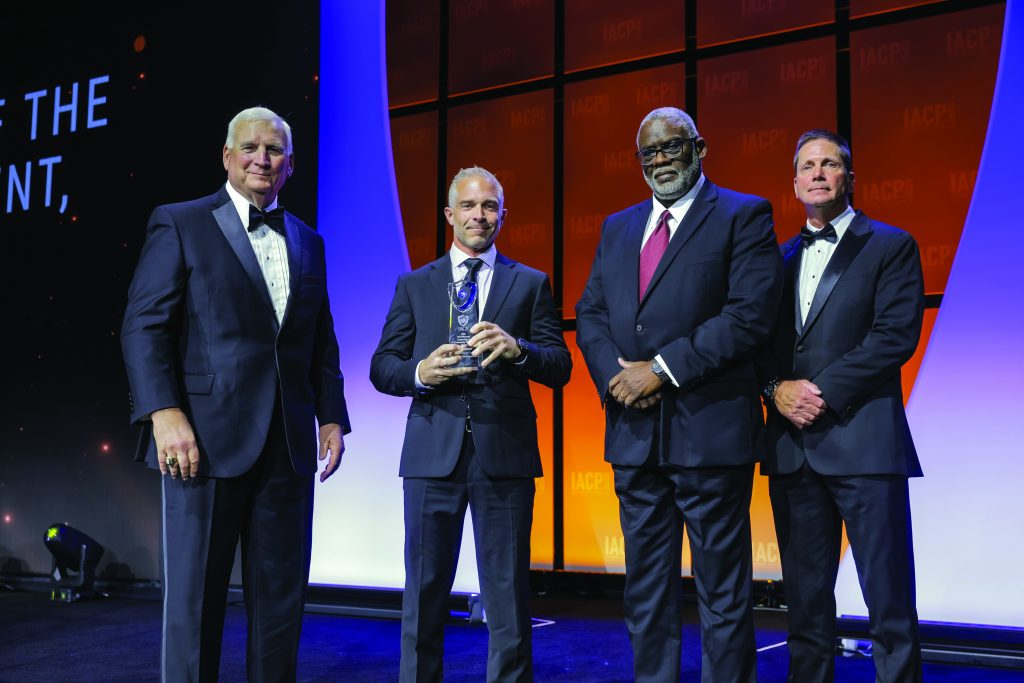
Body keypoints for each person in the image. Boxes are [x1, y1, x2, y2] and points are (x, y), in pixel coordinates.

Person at [121, 106, 350, 682]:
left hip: (289, 447)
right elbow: (143, 325)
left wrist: (330, 415)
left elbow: (319, 338)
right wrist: (163, 413)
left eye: (274, 150)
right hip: (201, 442)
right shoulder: (180, 221)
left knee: (281, 607)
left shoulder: (309, 241)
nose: (262, 159)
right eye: (250, 147)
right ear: (227, 157)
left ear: (290, 164)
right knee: (195, 605)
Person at [575, 106, 783, 682]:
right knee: (645, 593)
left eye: (671, 147)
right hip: (634, 436)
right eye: (649, 152)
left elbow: (749, 316)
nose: (661, 159)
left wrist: (661, 371)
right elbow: (590, 312)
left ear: (700, 148)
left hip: (710, 435)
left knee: (722, 592)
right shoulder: (618, 227)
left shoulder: (743, 215)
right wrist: (615, 378)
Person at [370, 166, 571, 683]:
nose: (479, 216)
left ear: (503, 214)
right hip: (430, 456)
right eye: (468, 206)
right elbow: (381, 366)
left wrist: (518, 349)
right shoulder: (415, 284)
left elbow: (560, 365)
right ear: (449, 215)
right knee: (424, 593)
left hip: (502, 456)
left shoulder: (529, 284)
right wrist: (420, 372)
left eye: (489, 207)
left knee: (506, 596)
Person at [759, 129, 924, 682]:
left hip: (864, 442)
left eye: (830, 164)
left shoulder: (890, 244)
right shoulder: (774, 262)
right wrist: (774, 388)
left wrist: (818, 391)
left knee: (889, 602)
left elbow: (895, 335)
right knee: (805, 607)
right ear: (796, 182)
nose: (819, 173)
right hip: (793, 451)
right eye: (808, 166)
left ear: (849, 178)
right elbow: (753, 345)